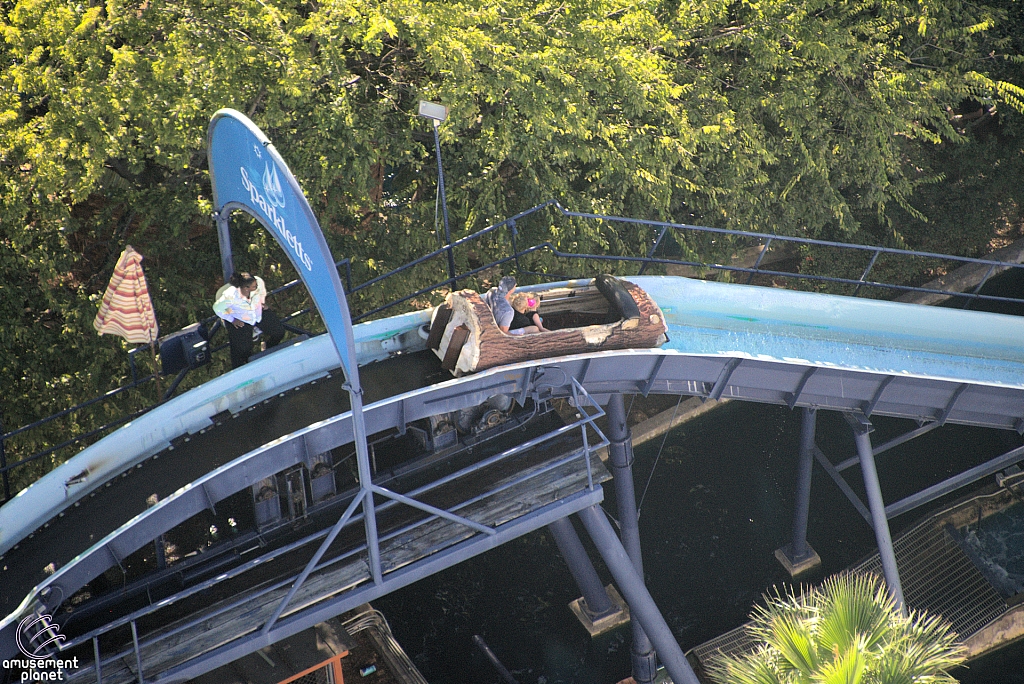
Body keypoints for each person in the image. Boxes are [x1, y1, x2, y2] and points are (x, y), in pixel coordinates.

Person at [213, 272, 285, 369]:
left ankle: (268, 347)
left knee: (279, 332)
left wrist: (262, 302)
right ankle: (245, 367)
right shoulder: (230, 295)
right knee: (243, 349)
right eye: (254, 286)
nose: (256, 287)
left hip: (258, 313)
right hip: (241, 318)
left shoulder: (259, 282)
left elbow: (262, 292)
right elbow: (218, 308)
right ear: (246, 288)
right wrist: (232, 319)